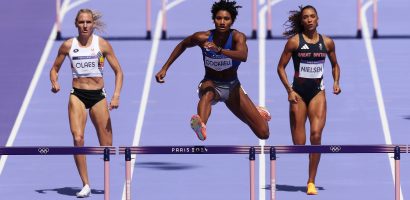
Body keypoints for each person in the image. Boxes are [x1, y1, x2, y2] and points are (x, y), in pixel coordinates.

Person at [155, 0, 270, 141]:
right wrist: (165, 67)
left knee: (263, 133)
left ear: (232, 21)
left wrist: (220, 50)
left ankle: (255, 111)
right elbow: (183, 44)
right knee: (208, 93)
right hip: (211, 83)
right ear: (213, 20)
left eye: (226, 19)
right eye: (218, 18)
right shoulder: (202, 37)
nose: (222, 22)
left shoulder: (237, 37)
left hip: (233, 87)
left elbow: (243, 56)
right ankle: (200, 125)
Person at [50, 9, 123, 198]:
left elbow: (119, 72)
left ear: (93, 24)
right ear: (76, 24)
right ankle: (86, 184)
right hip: (77, 95)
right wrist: (55, 82)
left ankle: (101, 174)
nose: (85, 25)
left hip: (98, 95)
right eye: (81, 22)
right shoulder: (68, 45)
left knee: (106, 146)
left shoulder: (102, 45)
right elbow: (54, 69)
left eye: (88, 22)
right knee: (78, 138)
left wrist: (115, 96)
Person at [277, 5, 341, 195]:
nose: (309, 20)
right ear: (302, 21)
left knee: (316, 136)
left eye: (313, 16)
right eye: (306, 17)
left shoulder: (327, 42)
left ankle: (311, 181)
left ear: (318, 19)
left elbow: (335, 65)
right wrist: (289, 90)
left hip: (317, 92)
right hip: (298, 93)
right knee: (299, 143)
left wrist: (336, 81)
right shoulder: (294, 42)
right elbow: (280, 67)